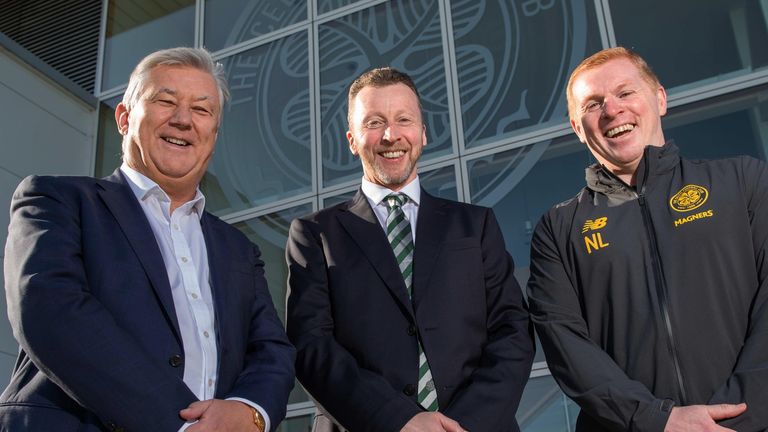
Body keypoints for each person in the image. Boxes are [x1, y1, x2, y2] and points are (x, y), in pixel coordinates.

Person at [0, 47, 295, 432]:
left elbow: (271, 349)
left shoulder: (238, 249)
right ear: (124, 118)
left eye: (202, 110)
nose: (184, 120)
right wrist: (183, 425)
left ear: (214, 134)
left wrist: (249, 410)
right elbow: (50, 311)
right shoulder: (56, 201)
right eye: (165, 101)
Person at [527, 46, 768, 431]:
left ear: (659, 99)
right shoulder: (558, 230)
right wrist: (658, 421)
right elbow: (566, 346)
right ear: (577, 126)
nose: (612, 110)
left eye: (625, 92)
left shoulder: (743, 182)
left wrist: (739, 414)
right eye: (592, 104)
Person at [285, 67, 534, 432]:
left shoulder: (474, 226)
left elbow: (512, 330)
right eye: (374, 122)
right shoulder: (315, 234)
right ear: (352, 140)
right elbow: (312, 347)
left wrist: (462, 425)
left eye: (404, 119)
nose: (391, 135)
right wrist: (399, 421)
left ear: (423, 133)